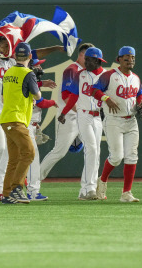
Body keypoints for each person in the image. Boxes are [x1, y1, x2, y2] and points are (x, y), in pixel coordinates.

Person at [0, 35, 61, 202]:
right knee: (2, 147)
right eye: (2, 46)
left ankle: (5, 190)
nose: (6, 48)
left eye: (8, 46)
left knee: (10, 154)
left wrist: (56, 48)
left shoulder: (12, 64)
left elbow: (35, 54)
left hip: (6, 111)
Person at [92, 46, 142, 202]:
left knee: (132, 156)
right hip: (113, 120)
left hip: (131, 120)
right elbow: (94, 90)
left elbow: (139, 94)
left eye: (132, 58)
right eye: (127, 57)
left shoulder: (136, 78)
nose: (130, 60)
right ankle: (102, 180)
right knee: (116, 157)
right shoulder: (109, 75)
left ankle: (126, 193)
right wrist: (106, 99)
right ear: (119, 59)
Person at [39, 43, 95, 182]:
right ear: (81, 55)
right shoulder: (72, 70)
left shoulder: (88, 72)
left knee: (93, 150)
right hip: (69, 117)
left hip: (84, 117)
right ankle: (34, 180)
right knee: (59, 151)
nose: (93, 60)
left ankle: (89, 187)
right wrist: (82, 112)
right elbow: (67, 96)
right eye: (90, 56)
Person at [57, 47, 107, 200]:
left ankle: (86, 190)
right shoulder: (80, 74)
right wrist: (64, 112)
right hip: (83, 115)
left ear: (97, 60)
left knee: (96, 150)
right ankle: (88, 189)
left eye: (89, 59)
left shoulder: (106, 76)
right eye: (85, 59)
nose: (86, 62)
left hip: (97, 117)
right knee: (91, 148)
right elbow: (73, 96)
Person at [0, 42, 42, 204]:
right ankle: (17, 187)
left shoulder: (8, 72)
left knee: (14, 158)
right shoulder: (28, 73)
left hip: (6, 119)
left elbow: (3, 98)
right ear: (30, 56)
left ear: (15, 56)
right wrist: (35, 81)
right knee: (29, 153)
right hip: (17, 120)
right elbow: (37, 96)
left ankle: (6, 194)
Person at [25, 59, 57, 201]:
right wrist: (54, 102)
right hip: (26, 125)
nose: (40, 67)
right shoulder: (29, 80)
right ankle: (32, 191)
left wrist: (42, 83)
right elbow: (41, 102)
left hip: (28, 124)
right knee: (33, 158)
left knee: (19, 158)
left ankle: (6, 188)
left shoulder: (31, 80)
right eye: (37, 64)